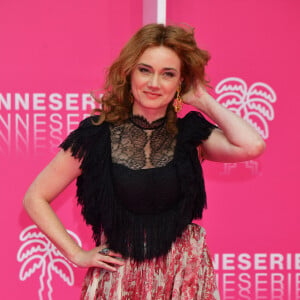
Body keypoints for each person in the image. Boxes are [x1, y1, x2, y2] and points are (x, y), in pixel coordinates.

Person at [23, 24, 265, 299]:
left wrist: (203, 100)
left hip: (185, 274)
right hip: (121, 277)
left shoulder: (191, 135)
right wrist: (77, 254)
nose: (153, 83)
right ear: (129, 72)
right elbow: (35, 197)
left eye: (168, 74)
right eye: (145, 70)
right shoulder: (97, 135)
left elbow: (252, 146)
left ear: (180, 82)